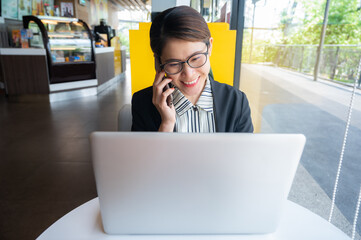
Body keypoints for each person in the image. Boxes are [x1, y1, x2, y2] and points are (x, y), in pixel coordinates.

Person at [131, 6, 253, 133]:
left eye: (195, 58)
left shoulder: (236, 101)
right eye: (174, 64)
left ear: (209, 47)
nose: (188, 74)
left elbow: (245, 152)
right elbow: (146, 154)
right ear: (158, 63)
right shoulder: (142, 103)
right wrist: (166, 124)